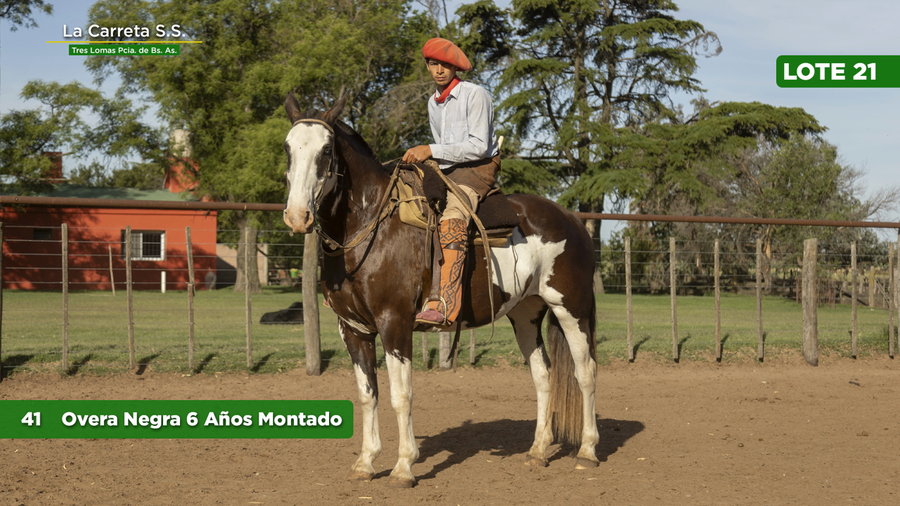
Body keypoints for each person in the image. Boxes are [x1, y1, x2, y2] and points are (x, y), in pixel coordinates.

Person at [404, 38, 501, 326]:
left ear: (455, 67)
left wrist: (430, 151)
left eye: (445, 64)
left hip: (478, 167)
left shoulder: (475, 95)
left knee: (453, 216)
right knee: (405, 201)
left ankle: (445, 303)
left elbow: (479, 146)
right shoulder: (433, 104)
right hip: (448, 167)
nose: (439, 70)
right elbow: (444, 147)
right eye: (433, 64)